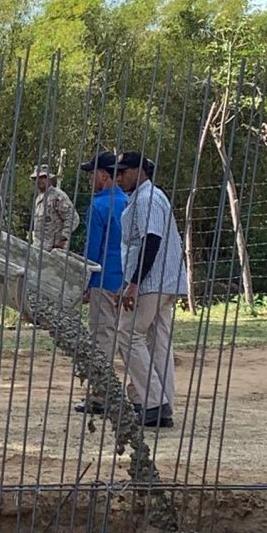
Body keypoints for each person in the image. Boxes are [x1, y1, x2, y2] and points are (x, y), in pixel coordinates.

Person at [114, 151, 188, 429]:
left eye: (124, 172)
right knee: (158, 342)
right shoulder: (151, 197)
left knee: (127, 332)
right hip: (165, 281)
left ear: (140, 171)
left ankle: (154, 401)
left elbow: (151, 242)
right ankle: (162, 405)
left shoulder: (147, 199)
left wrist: (133, 284)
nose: (120, 177)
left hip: (152, 281)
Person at [74, 151, 129, 416]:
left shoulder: (98, 206)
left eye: (92, 174)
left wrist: (84, 282)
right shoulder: (128, 202)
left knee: (101, 336)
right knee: (125, 335)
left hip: (103, 276)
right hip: (127, 278)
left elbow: (92, 249)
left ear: (105, 175)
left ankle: (100, 395)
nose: (90, 179)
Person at [29, 163, 80, 251]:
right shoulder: (39, 198)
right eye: (37, 178)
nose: (40, 181)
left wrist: (63, 238)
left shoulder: (57, 196)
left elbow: (73, 217)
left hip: (53, 250)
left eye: (43, 177)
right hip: (38, 248)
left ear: (49, 179)